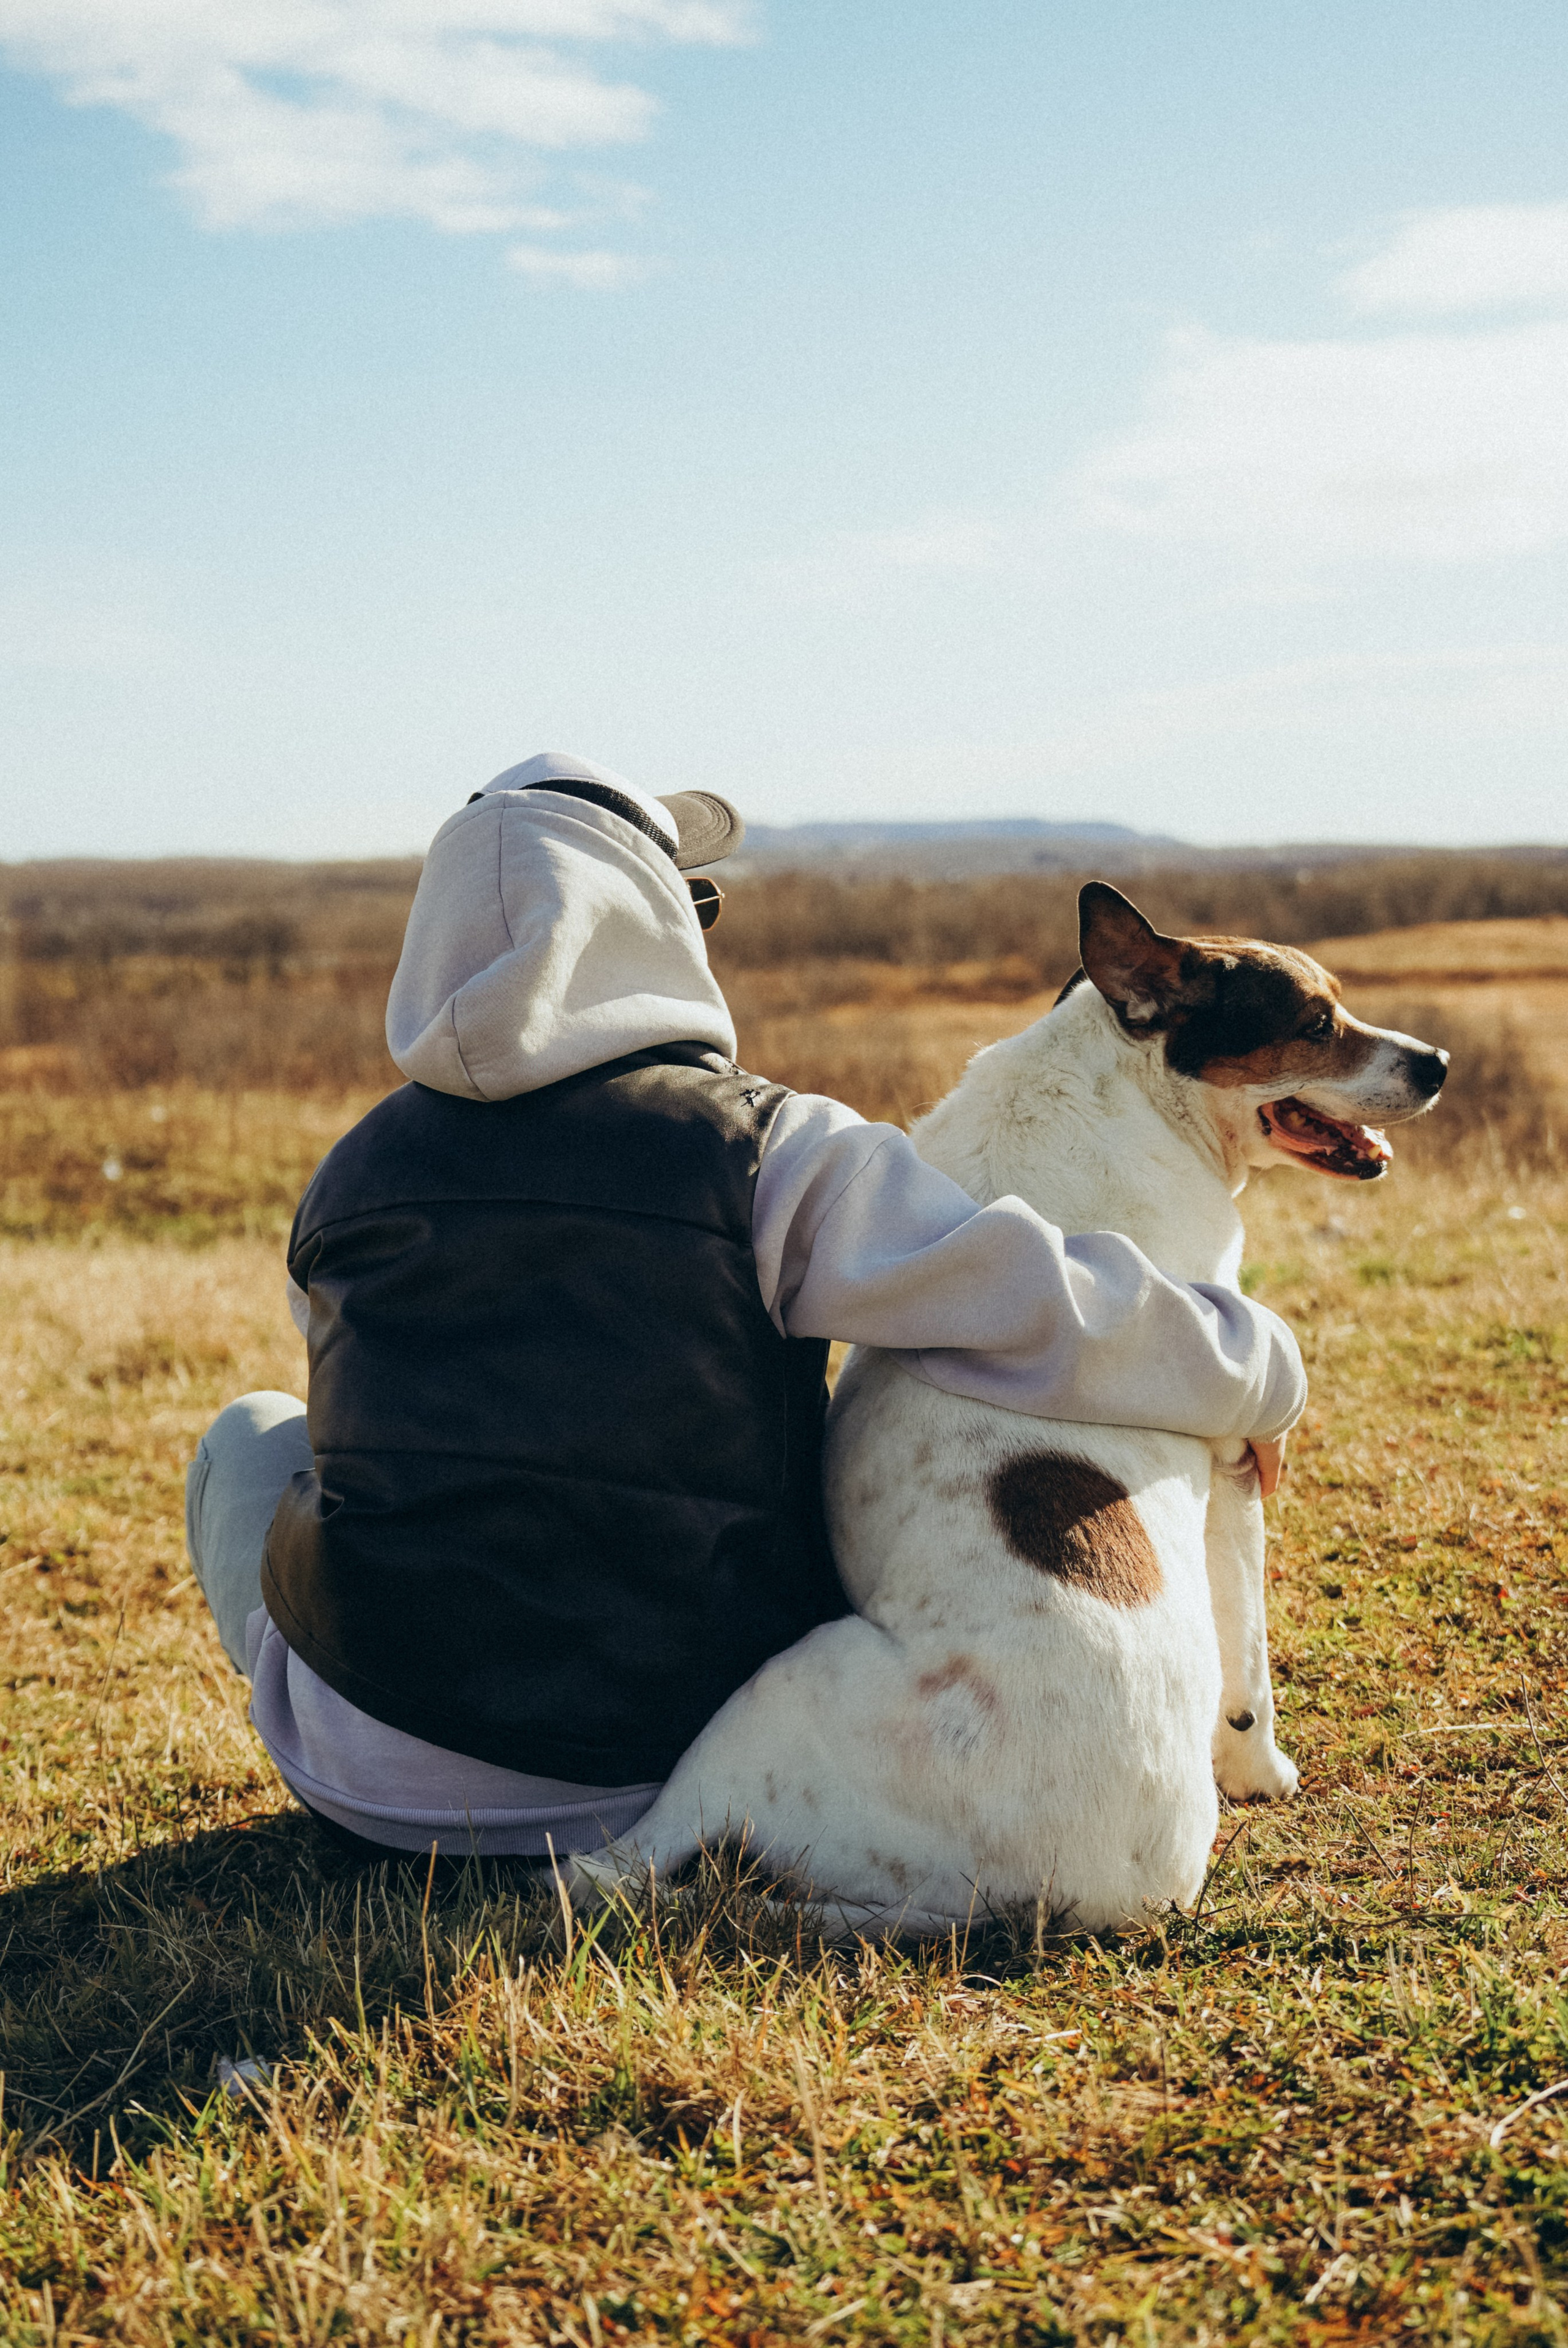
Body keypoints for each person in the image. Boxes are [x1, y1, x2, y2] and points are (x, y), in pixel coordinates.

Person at [185, 750, 1305, 1861]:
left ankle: (360, 1734)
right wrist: (1255, 1366)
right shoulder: (774, 1151)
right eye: (692, 900)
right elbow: (1035, 1297)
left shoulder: (348, 1178)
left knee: (251, 1433)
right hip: (663, 1755)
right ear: (647, 926)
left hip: (361, 1780)